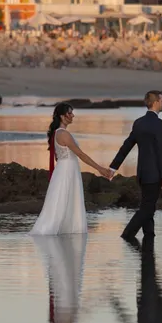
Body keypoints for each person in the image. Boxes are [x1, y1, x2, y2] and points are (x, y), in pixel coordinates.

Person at [30, 102, 111, 237]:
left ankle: (68, 231)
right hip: (67, 171)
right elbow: (80, 154)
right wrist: (100, 168)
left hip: (65, 169)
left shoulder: (58, 133)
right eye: (69, 113)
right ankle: (66, 231)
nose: (72, 115)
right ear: (62, 116)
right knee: (63, 200)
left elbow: (57, 156)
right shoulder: (63, 134)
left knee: (64, 200)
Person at [109, 90, 162, 242]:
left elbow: (126, 146)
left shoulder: (139, 123)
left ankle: (149, 237)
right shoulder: (159, 124)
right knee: (147, 208)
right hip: (154, 174)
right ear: (155, 102)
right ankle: (127, 235)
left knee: (148, 207)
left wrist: (113, 167)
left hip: (142, 173)